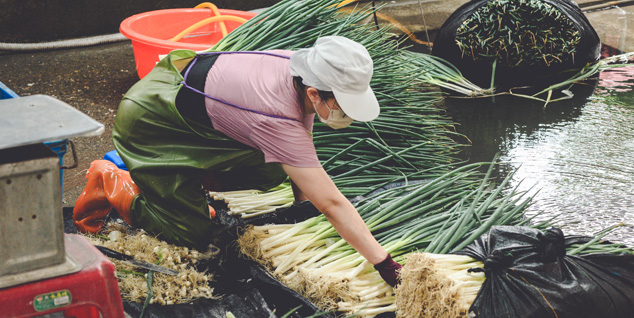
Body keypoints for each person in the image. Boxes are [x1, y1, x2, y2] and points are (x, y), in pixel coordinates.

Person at [72, 36, 402, 286]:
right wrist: (384, 263)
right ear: (315, 93)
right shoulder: (275, 116)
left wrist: (302, 204)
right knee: (190, 231)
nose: (345, 113)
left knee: (272, 170)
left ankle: (188, 183)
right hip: (152, 120)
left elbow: (302, 136)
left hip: (185, 101)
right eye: (342, 103)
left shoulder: (299, 68)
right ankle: (115, 182)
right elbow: (332, 203)